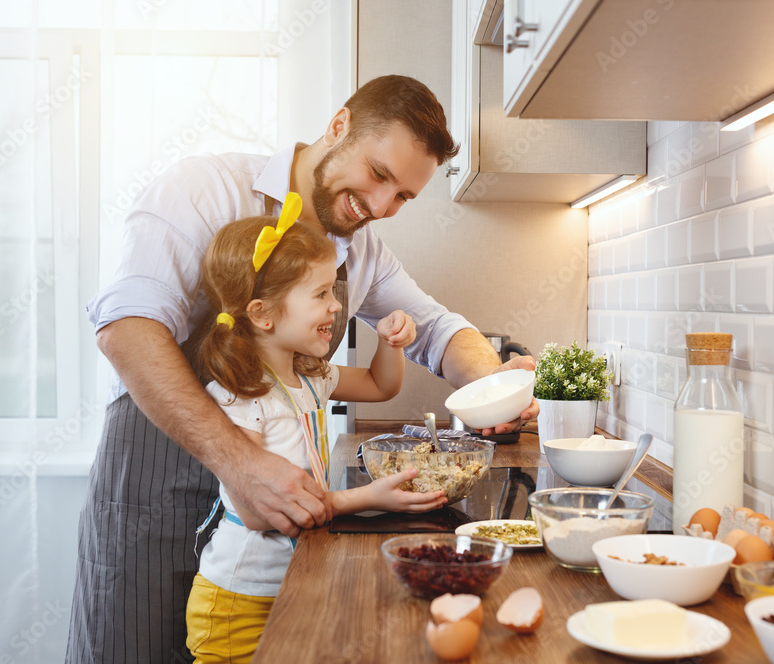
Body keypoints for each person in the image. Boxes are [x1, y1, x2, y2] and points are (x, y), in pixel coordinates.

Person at [67, 74, 537, 664]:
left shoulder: (361, 250)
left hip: (272, 533)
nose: (381, 206)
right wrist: (238, 462)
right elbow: (126, 328)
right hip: (153, 485)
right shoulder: (203, 188)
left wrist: (495, 384)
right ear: (337, 126)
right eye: (379, 174)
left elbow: (439, 329)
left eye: (403, 198)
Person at [184, 197, 446, 662]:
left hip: (288, 582)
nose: (336, 306)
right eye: (321, 294)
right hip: (238, 603)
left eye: (333, 291)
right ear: (263, 314)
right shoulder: (239, 394)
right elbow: (267, 511)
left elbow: (380, 384)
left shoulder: (310, 376)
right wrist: (365, 498)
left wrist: (390, 343)